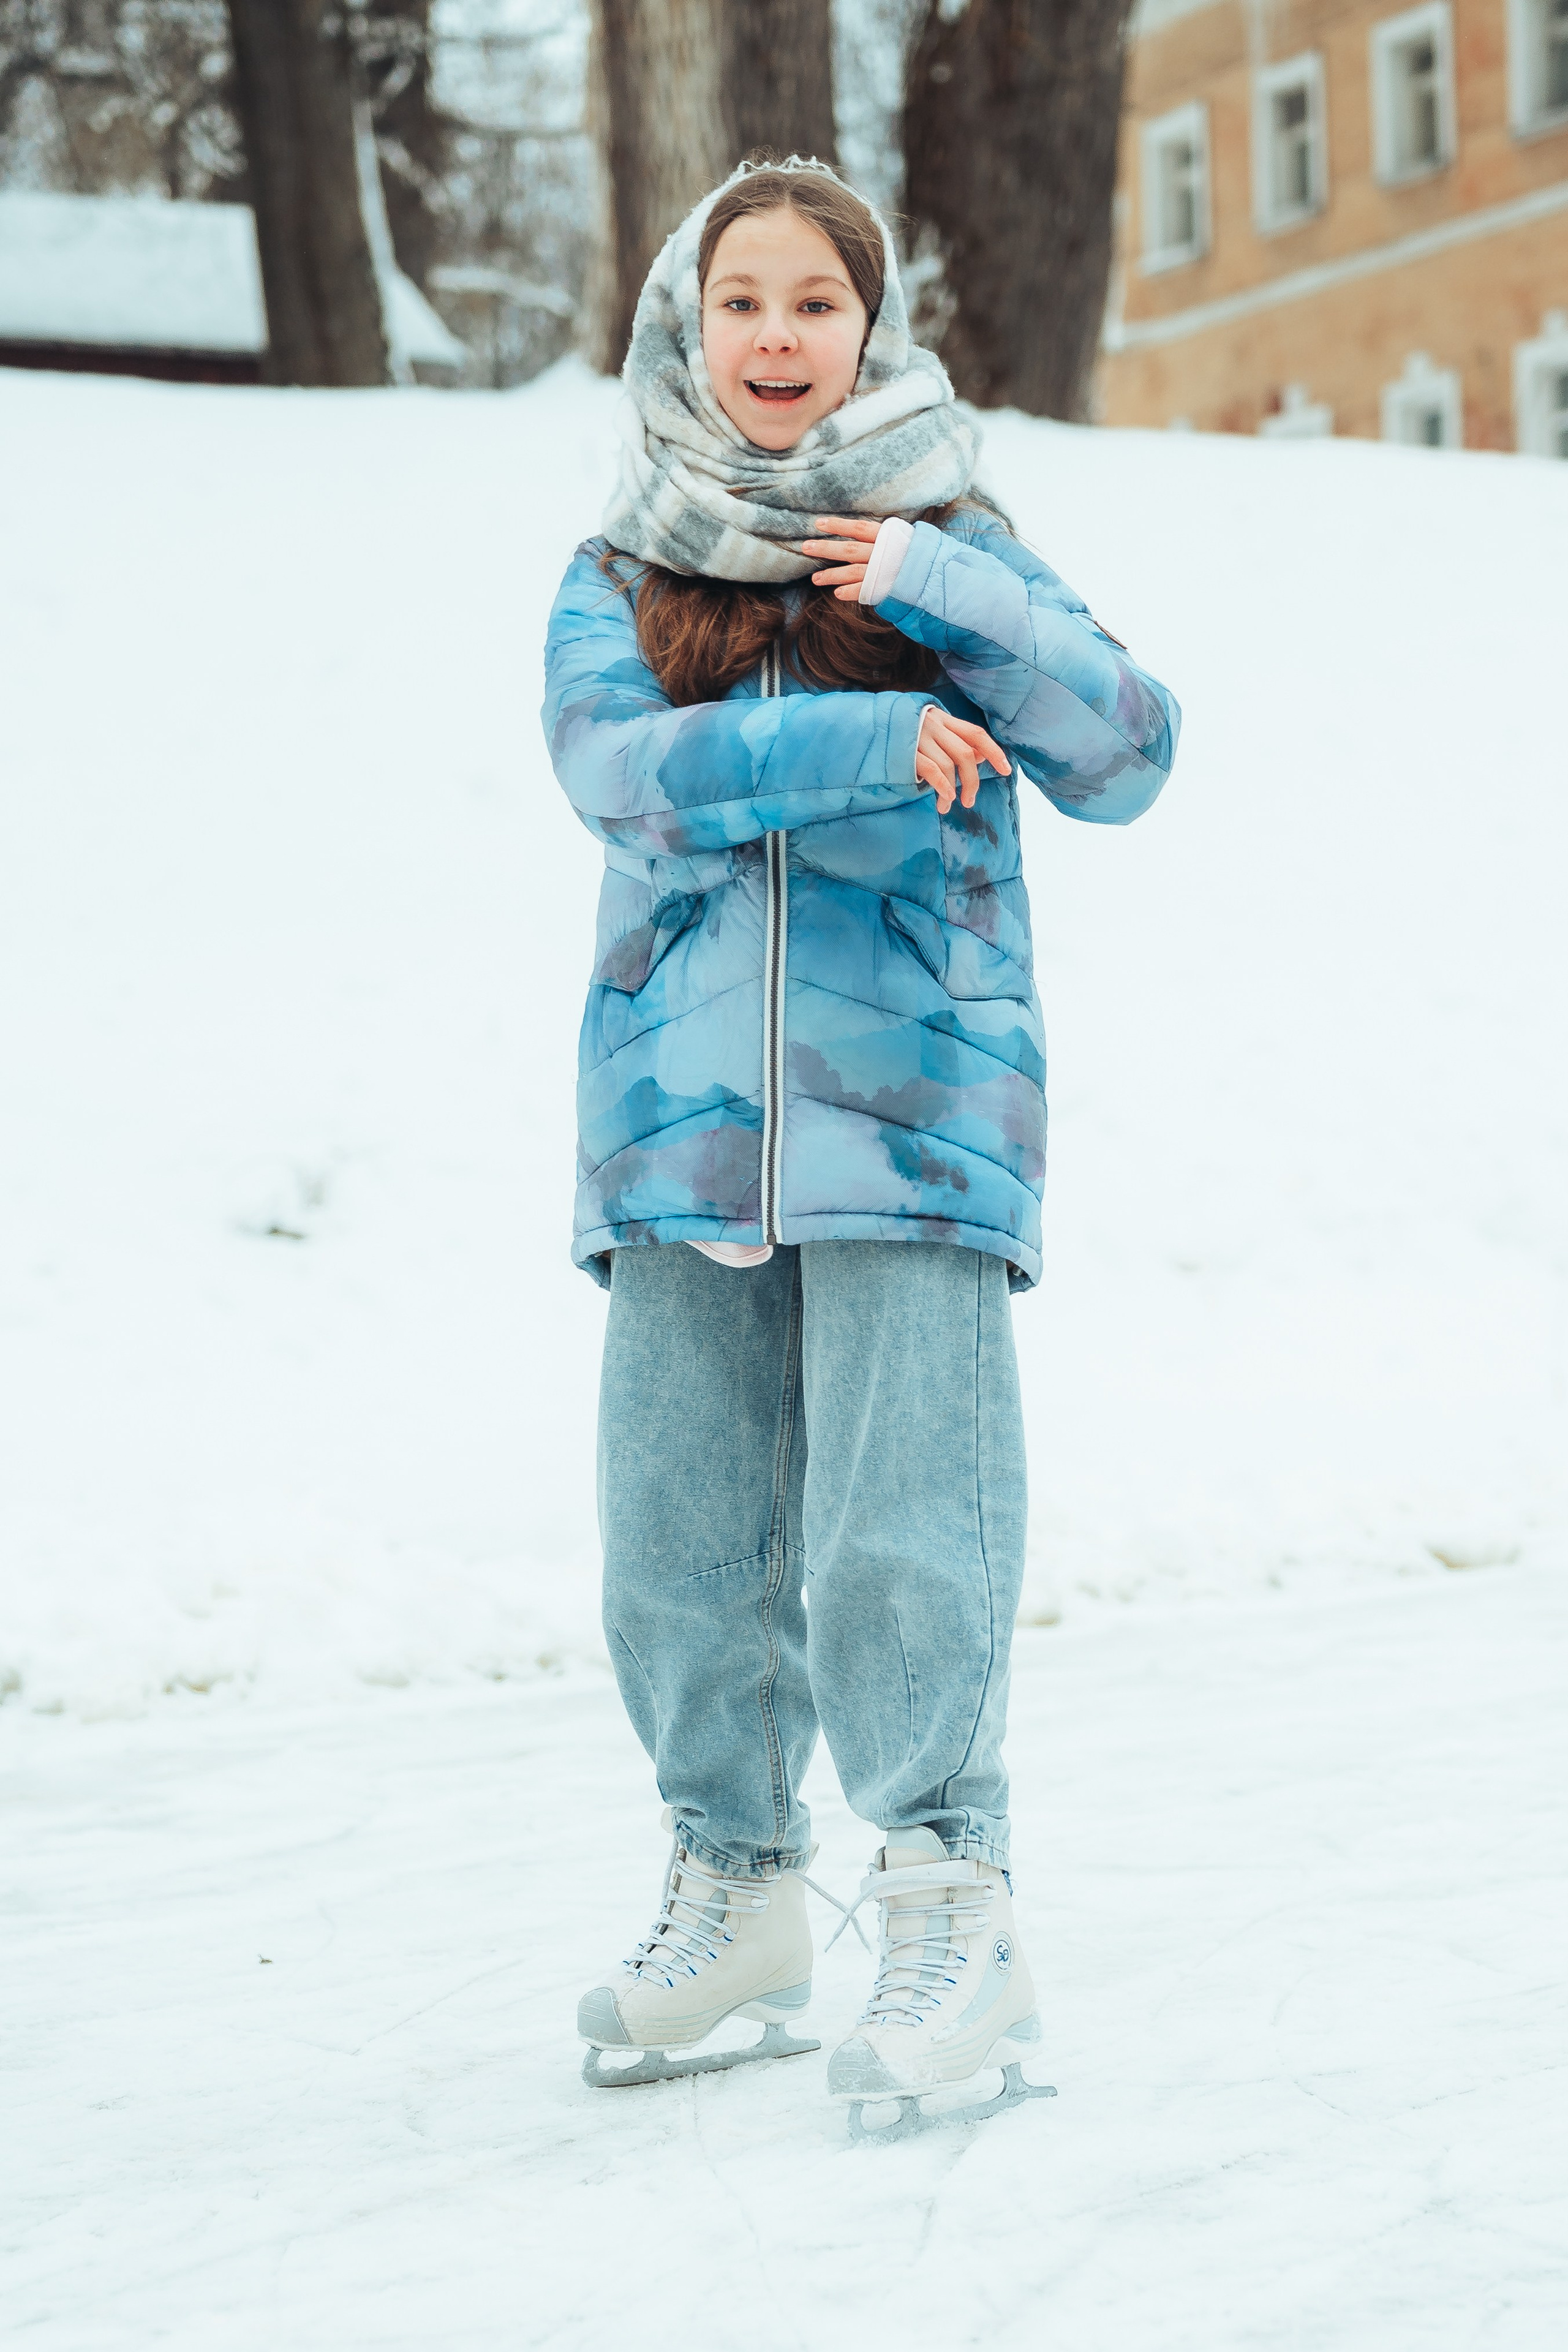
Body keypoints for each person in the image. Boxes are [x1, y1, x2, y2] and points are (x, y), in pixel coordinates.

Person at [542, 159, 1179, 2128]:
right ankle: (734, 1888)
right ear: (687, 326)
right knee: (681, 1544)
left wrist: (928, 588)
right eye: (741, 302)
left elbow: (1128, 748)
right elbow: (613, 767)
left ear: (870, 331)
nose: (775, 340)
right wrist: (851, 736)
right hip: (677, 1135)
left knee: (900, 1529)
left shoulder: (957, 541)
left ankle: (946, 1894)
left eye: (815, 304)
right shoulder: (623, 561)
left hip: (912, 1126)